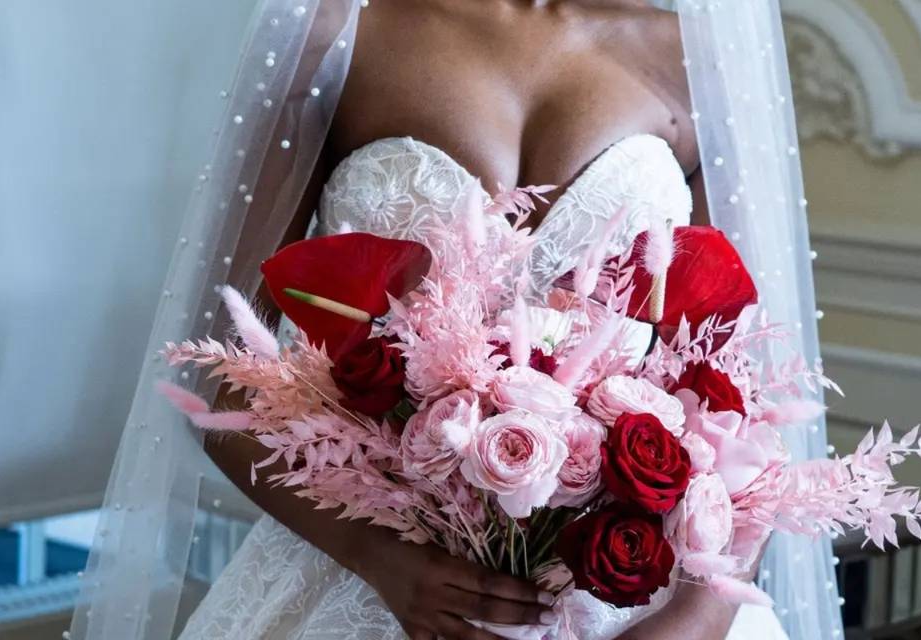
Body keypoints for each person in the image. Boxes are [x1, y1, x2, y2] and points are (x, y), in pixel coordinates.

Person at [177, 2, 786, 639]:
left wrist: (698, 617)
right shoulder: (344, 31)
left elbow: (747, 400)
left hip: (632, 601)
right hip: (379, 587)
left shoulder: (693, 56)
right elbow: (217, 377)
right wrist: (377, 558)